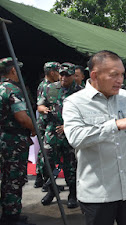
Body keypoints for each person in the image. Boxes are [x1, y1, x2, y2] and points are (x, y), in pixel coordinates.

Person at [63, 50, 126, 225]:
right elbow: (75, 138)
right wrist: (115, 124)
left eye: (122, 74)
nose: (121, 80)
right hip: (98, 193)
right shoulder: (74, 103)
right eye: (114, 75)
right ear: (95, 75)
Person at [37, 62, 82, 208]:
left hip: (70, 134)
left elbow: (84, 115)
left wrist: (67, 126)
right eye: (61, 74)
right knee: (46, 163)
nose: (63, 77)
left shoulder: (80, 92)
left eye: (67, 75)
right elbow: (40, 104)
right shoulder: (50, 88)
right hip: (52, 131)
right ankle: (51, 190)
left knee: (71, 167)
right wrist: (43, 109)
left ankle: (73, 195)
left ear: (73, 76)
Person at [0, 57, 36, 225]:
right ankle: (11, 216)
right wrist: (34, 128)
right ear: (13, 70)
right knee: (14, 179)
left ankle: (9, 212)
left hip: (3, 138)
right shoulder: (11, 89)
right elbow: (22, 117)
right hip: (14, 140)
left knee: (6, 177)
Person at [34, 62, 60, 189]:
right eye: (58, 72)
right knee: (48, 152)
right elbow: (40, 105)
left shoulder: (43, 84)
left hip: (44, 122)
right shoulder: (48, 86)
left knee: (43, 152)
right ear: (52, 73)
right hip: (47, 123)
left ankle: (40, 179)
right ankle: (46, 181)